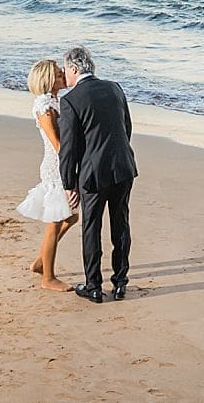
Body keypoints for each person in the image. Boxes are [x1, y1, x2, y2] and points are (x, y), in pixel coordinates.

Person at [58, 46, 137, 303]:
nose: (64, 75)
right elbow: (126, 128)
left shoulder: (71, 100)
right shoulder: (114, 88)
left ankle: (93, 286)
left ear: (73, 68)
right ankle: (120, 283)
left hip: (92, 174)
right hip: (123, 167)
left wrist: (68, 183)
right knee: (120, 224)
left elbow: (69, 148)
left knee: (91, 228)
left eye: (65, 69)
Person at [15, 59, 79, 292]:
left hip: (60, 164)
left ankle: (41, 262)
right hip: (57, 166)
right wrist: (73, 169)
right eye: (59, 74)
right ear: (49, 80)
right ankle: (48, 278)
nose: (63, 75)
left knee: (71, 218)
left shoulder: (53, 101)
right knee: (55, 222)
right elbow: (57, 144)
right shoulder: (44, 105)